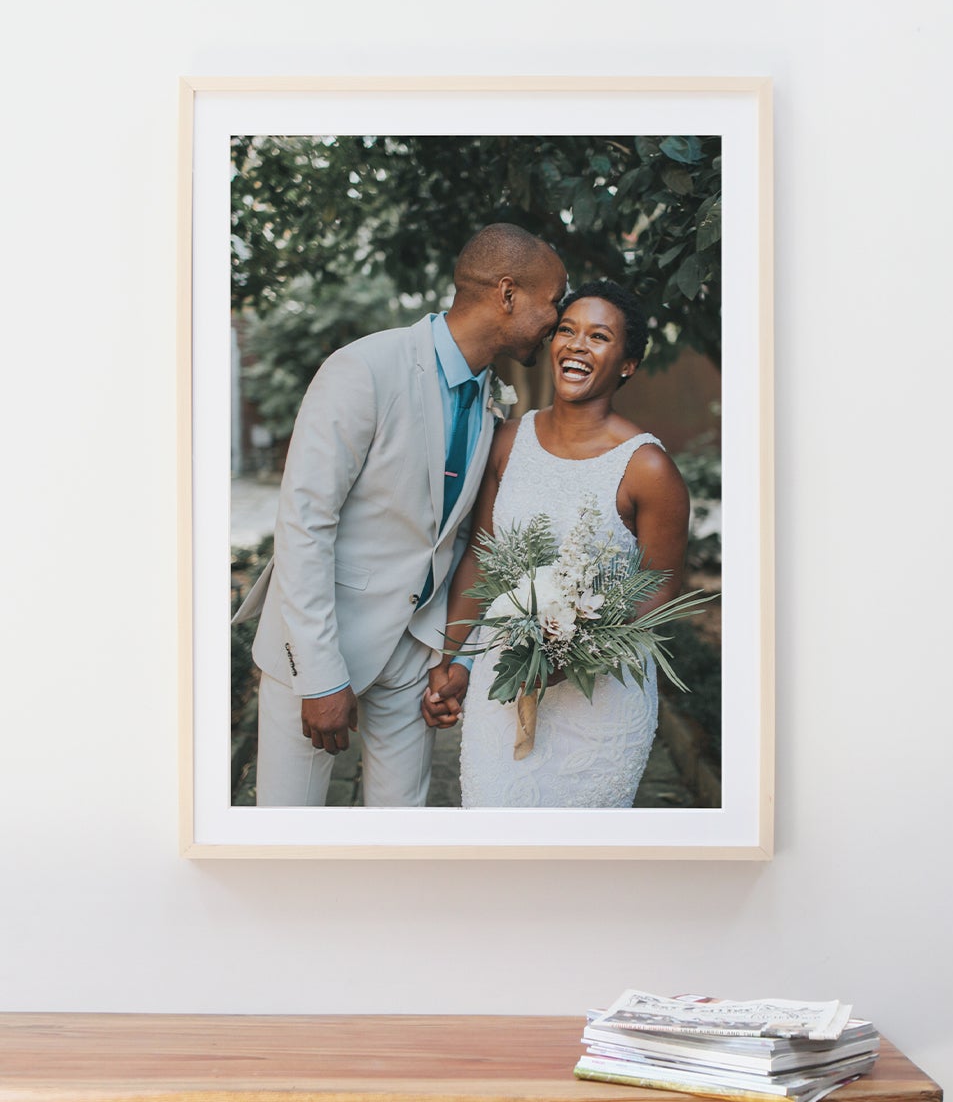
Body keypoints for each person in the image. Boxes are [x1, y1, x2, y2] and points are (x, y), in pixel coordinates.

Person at [234, 224, 568, 806]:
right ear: (508, 294)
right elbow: (304, 526)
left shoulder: (490, 393)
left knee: (402, 832)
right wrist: (321, 677)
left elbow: (461, 536)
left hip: (415, 653)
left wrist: (453, 654)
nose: (557, 318)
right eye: (554, 300)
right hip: (319, 649)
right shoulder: (364, 369)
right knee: (288, 835)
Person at [423, 280, 692, 807]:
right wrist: (455, 659)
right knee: (495, 841)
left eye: (598, 336)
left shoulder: (648, 468)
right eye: (566, 330)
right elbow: (480, 560)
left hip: (602, 701)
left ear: (628, 363)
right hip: (504, 682)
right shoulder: (508, 442)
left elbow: (661, 592)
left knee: (584, 867)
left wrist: (575, 651)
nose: (575, 345)